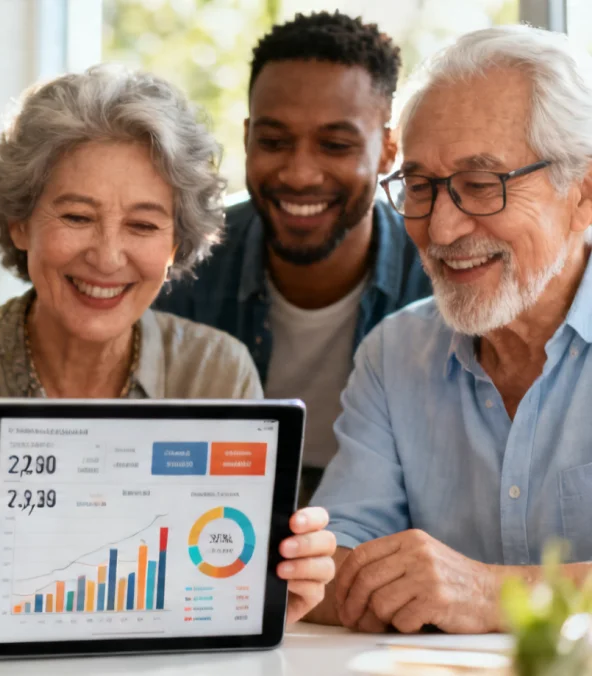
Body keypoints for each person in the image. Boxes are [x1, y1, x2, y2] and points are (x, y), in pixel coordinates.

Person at [0, 66, 337, 625]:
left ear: (176, 243)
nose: (108, 256)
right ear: (20, 223)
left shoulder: (216, 372)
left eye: (143, 226)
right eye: (76, 216)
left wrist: (266, 592)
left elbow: (225, 576)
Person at [305, 25, 592, 635]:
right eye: (419, 187)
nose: (440, 231)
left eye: (481, 185)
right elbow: (327, 566)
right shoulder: (395, 352)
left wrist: (494, 594)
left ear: (584, 192)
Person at [153, 12, 432, 503]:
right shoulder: (180, 267)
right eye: (274, 141)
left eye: (335, 144)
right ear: (246, 139)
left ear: (389, 150)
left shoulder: (438, 275)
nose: (301, 173)